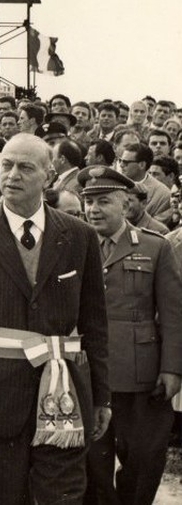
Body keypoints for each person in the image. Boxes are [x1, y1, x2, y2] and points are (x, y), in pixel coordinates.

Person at [0, 133, 111, 504]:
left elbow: (95, 325)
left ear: (49, 177)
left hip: (63, 401)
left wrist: (101, 397)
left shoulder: (79, 236)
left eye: (25, 167)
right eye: (6, 165)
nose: (11, 175)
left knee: (61, 498)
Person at [78, 166, 182, 505]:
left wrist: (172, 369)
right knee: (93, 461)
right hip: (88, 371)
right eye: (88, 201)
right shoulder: (74, 246)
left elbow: (172, 313)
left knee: (144, 458)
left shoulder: (155, 247)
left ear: (126, 206)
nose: (93, 209)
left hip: (142, 376)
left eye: (103, 201)